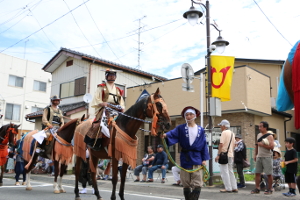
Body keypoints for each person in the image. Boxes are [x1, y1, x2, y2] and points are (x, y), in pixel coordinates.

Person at [161, 106, 210, 200]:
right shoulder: (181, 128)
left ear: (195, 115)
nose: (189, 116)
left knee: (198, 182)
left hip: (197, 158)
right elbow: (172, 133)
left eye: (191, 114)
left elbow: (204, 145)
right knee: (185, 182)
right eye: (186, 115)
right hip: (185, 157)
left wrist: (204, 159)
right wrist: (166, 135)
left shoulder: (201, 129)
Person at [87, 69, 125, 150]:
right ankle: (95, 142)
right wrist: (102, 103)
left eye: (113, 75)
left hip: (116, 110)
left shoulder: (118, 90)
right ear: (106, 76)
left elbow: (121, 101)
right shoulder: (101, 87)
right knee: (99, 124)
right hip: (105, 109)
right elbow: (96, 98)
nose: (112, 76)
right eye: (110, 75)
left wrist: (122, 107)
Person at [251, 121, 274, 195]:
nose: (259, 128)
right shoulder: (258, 135)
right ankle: (257, 188)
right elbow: (257, 145)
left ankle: (270, 189)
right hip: (259, 156)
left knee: (269, 174)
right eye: (259, 126)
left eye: (261, 126)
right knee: (257, 173)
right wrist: (255, 155)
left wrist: (262, 145)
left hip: (267, 156)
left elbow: (272, 146)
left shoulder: (270, 136)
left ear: (265, 127)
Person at [215, 119, 238, 193]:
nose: (220, 127)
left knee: (224, 172)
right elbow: (235, 145)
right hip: (231, 154)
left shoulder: (224, 133)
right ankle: (234, 187)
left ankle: (228, 188)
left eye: (221, 126)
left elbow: (221, 144)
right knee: (230, 171)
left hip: (224, 154)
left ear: (224, 126)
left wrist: (218, 155)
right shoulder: (232, 133)